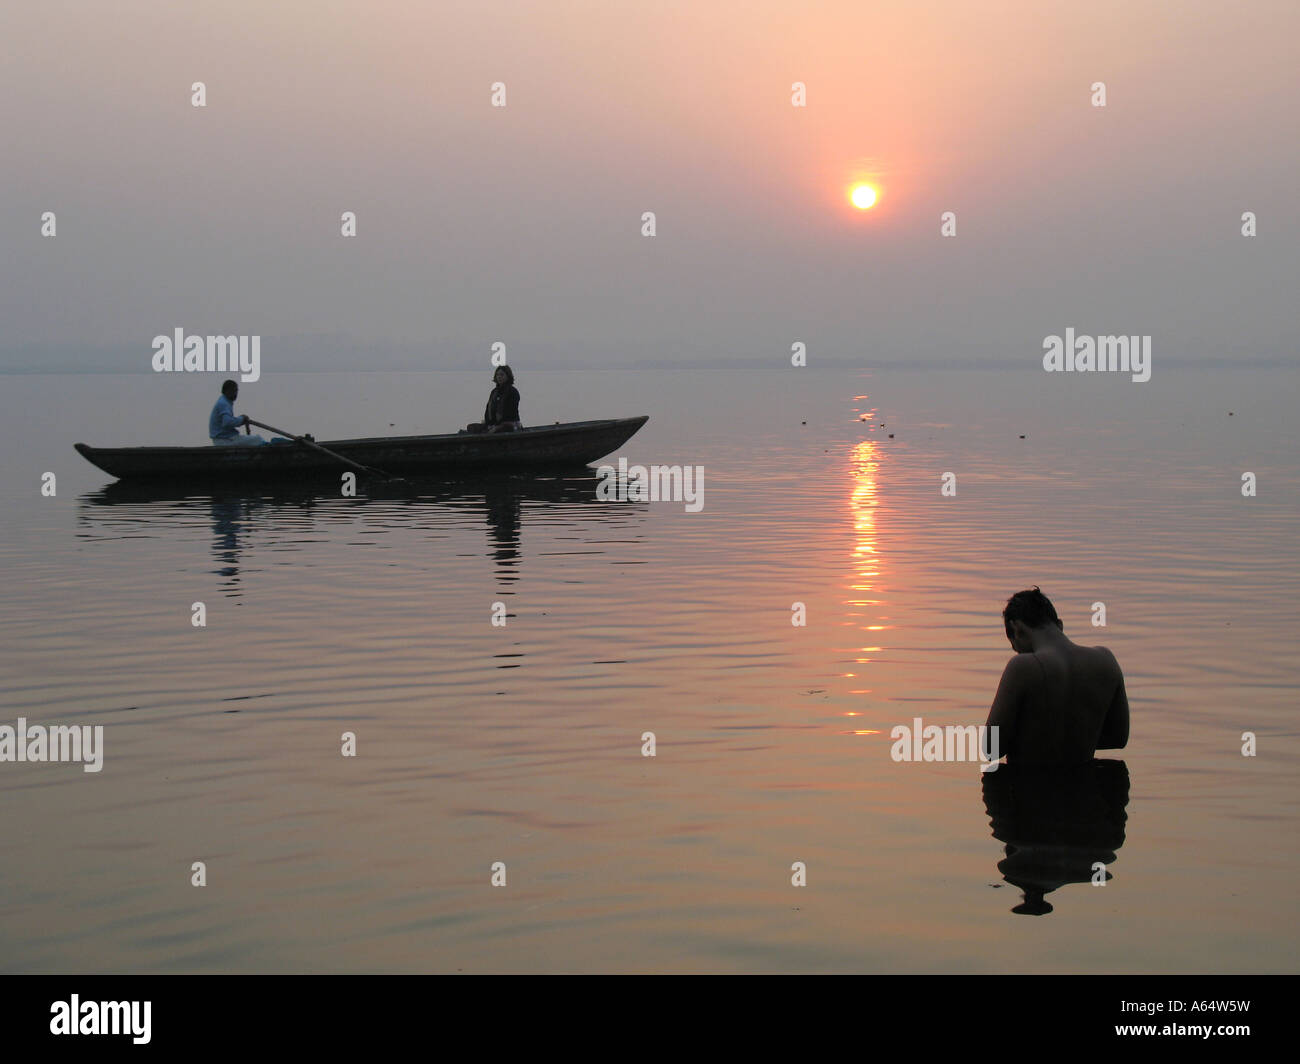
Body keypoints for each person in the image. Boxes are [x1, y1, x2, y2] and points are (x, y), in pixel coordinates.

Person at [984, 587, 1129, 766]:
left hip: (1030, 788)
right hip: (1085, 789)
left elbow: (990, 748)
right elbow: (1118, 738)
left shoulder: (1022, 667)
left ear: (1018, 629)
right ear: (1059, 625)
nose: (1019, 654)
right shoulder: (1106, 660)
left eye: (1016, 648)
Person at [209, 380, 267, 446]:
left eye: (236, 391)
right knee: (257, 439)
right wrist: (242, 419)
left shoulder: (224, 401)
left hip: (224, 439)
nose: (235, 393)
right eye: (233, 391)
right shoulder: (223, 403)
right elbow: (227, 422)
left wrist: (241, 419)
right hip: (225, 440)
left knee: (255, 440)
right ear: (227, 391)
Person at [482, 365, 522, 432]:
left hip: (510, 423)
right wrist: (488, 423)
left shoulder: (513, 391)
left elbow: (511, 413)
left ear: (508, 376)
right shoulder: (494, 392)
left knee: (503, 428)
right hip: (494, 424)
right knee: (471, 427)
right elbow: (488, 409)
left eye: (502, 374)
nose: (499, 377)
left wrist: (497, 425)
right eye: (497, 375)